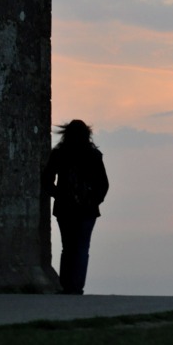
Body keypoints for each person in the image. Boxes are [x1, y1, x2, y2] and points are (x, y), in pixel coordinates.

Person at [42, 120, 109, 294]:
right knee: (81, 248)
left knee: (68, 247)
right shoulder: (93, 155)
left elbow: (47, 181)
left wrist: (60, 196)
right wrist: (93, 200)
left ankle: (66, 285)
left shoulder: (60, 154)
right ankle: (76, 286)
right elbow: (103, 184)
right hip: (86, 210)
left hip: (66, 209)